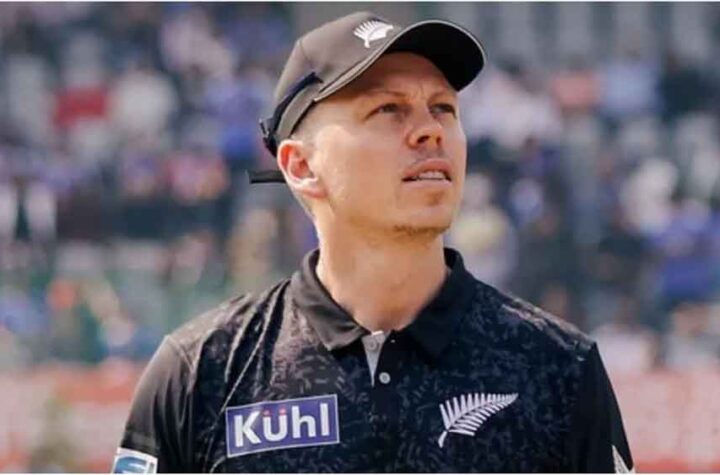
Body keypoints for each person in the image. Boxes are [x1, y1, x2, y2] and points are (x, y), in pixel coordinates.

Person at [113, 11, 634, 473]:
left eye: (444, 108)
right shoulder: (201, 372)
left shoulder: (558, 367)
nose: (430, 131)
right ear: (301, 165)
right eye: (388, 109)